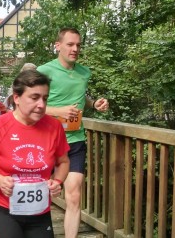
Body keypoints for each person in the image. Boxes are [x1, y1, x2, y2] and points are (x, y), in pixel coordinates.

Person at [0, 70, 70, 238]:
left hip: (40, 211)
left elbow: (64, 162)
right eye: (34, 97)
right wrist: (0, 180)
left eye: (45, 98)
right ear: (16, 98)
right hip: (3, 209)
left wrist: (58, 181)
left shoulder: (54, 127)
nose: (41, 104)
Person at [36, 27, 109, 238]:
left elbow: (79, 96)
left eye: (78, 45)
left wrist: (94, 103)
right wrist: (58, 111)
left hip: (74, 141)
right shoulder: (44, 71)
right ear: (57, 46)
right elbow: (26, 104)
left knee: (74, 195)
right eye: (70, 44)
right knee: (41, 194)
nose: (75, 49)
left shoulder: (84, 72)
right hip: (45, 140)